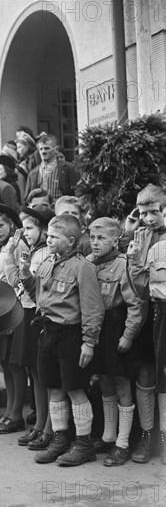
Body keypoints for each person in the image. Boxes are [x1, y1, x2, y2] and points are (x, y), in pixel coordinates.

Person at [27, 214, 104, 466]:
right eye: (47, 235)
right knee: (54, 388)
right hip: (48, 332)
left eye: (53, 237)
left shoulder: (83, 267)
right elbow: (40, 295)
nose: (48, 240)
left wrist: (89, 342)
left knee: (74, 388)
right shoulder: (49, 263)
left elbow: (93, 309)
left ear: (71, 241)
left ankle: (83, 444)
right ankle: (60, 439)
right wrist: (25, 278)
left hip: (70, 337)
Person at [86, 217, 144, 466]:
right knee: (104, 383)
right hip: (97, 330)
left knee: (121, 386)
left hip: (115, 328)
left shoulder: (123, 265)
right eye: (92, 238)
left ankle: (122, 443)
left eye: (101, 238)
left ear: (115, 240)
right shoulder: (88, 263)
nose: (95, 243)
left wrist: (128, 335)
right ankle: (108, 436)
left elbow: (135, 304)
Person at [4, 205, 55, 449]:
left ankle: (48, 426)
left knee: (42, 371)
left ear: (44, 228)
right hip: (25, 311)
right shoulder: (30, 251)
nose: (26, 232)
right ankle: (39, 425)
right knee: (34, 371)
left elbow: (37, 287)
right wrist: (11, 253)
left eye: (30, 228)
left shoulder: (46, 254)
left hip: (39, 314)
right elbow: (15, 281)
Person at [126, 185, 166, 465]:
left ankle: (164, 438)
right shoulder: (139, 238)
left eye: (155, 211)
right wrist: (133, 247)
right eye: (144, 213)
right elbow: (137, 287)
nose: (149, 218)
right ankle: (148, 435)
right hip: (145, 313)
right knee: (145, 374)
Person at [0, 205, 29, 435]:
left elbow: (20, 278)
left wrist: (11, 304)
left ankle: (16, 414)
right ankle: (8, 412)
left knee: (15, 363)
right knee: (5, 363)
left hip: (15, 307)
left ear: (11, 224)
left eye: (1, 225)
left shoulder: (17, 246)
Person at [24, 134, 78, 201]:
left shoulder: (69, 168)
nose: (43, 152)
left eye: (47, 148)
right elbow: (27, 199)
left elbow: (77, 193)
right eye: (41, 149)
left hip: (61, 209)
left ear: (56, 149)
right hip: (40, 209)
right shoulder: (32, 173)